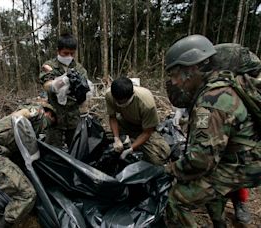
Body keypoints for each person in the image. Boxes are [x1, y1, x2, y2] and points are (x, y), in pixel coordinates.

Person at [164, 34, 261, 228]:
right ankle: (219, 222)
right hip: (246, 157)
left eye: (175, 75)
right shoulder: (224, 84)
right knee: (210, 188)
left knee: (176, 199)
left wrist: (169, 170)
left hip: (246, 166)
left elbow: (201, 161)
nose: (173, 82)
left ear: (191, 69)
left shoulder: (211, 101)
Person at [0, 103, 56, 228]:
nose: (49, 125)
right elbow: (24, 113)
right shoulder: (38, 113)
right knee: (27, 194)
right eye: (52, 120)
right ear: (49, 113)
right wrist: (22, 115)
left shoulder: (31, 127)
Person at [105, 77, 171, 165]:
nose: (120, 104)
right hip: (124, 122)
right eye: (118, 102)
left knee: (159, 156)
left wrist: (130, 149)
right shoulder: (109, 95)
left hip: (143, 127)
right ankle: (127, 140)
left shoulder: (146, 103)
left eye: (123, 102)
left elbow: (147, 132)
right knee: (104, 140)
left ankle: (131, 142)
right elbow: (112, 117)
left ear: (132, 94)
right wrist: (116, 138)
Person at [39, 33, 88, 148]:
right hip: (54, 115)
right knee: (53, 150)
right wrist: (61, 82)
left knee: (75, 148)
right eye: (65, 53)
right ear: (58, 51)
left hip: (73, 116)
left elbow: (84, 90)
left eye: (72, 54)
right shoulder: (49, 66)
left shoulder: (79, 69)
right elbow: (46, 85)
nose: (69, 57)